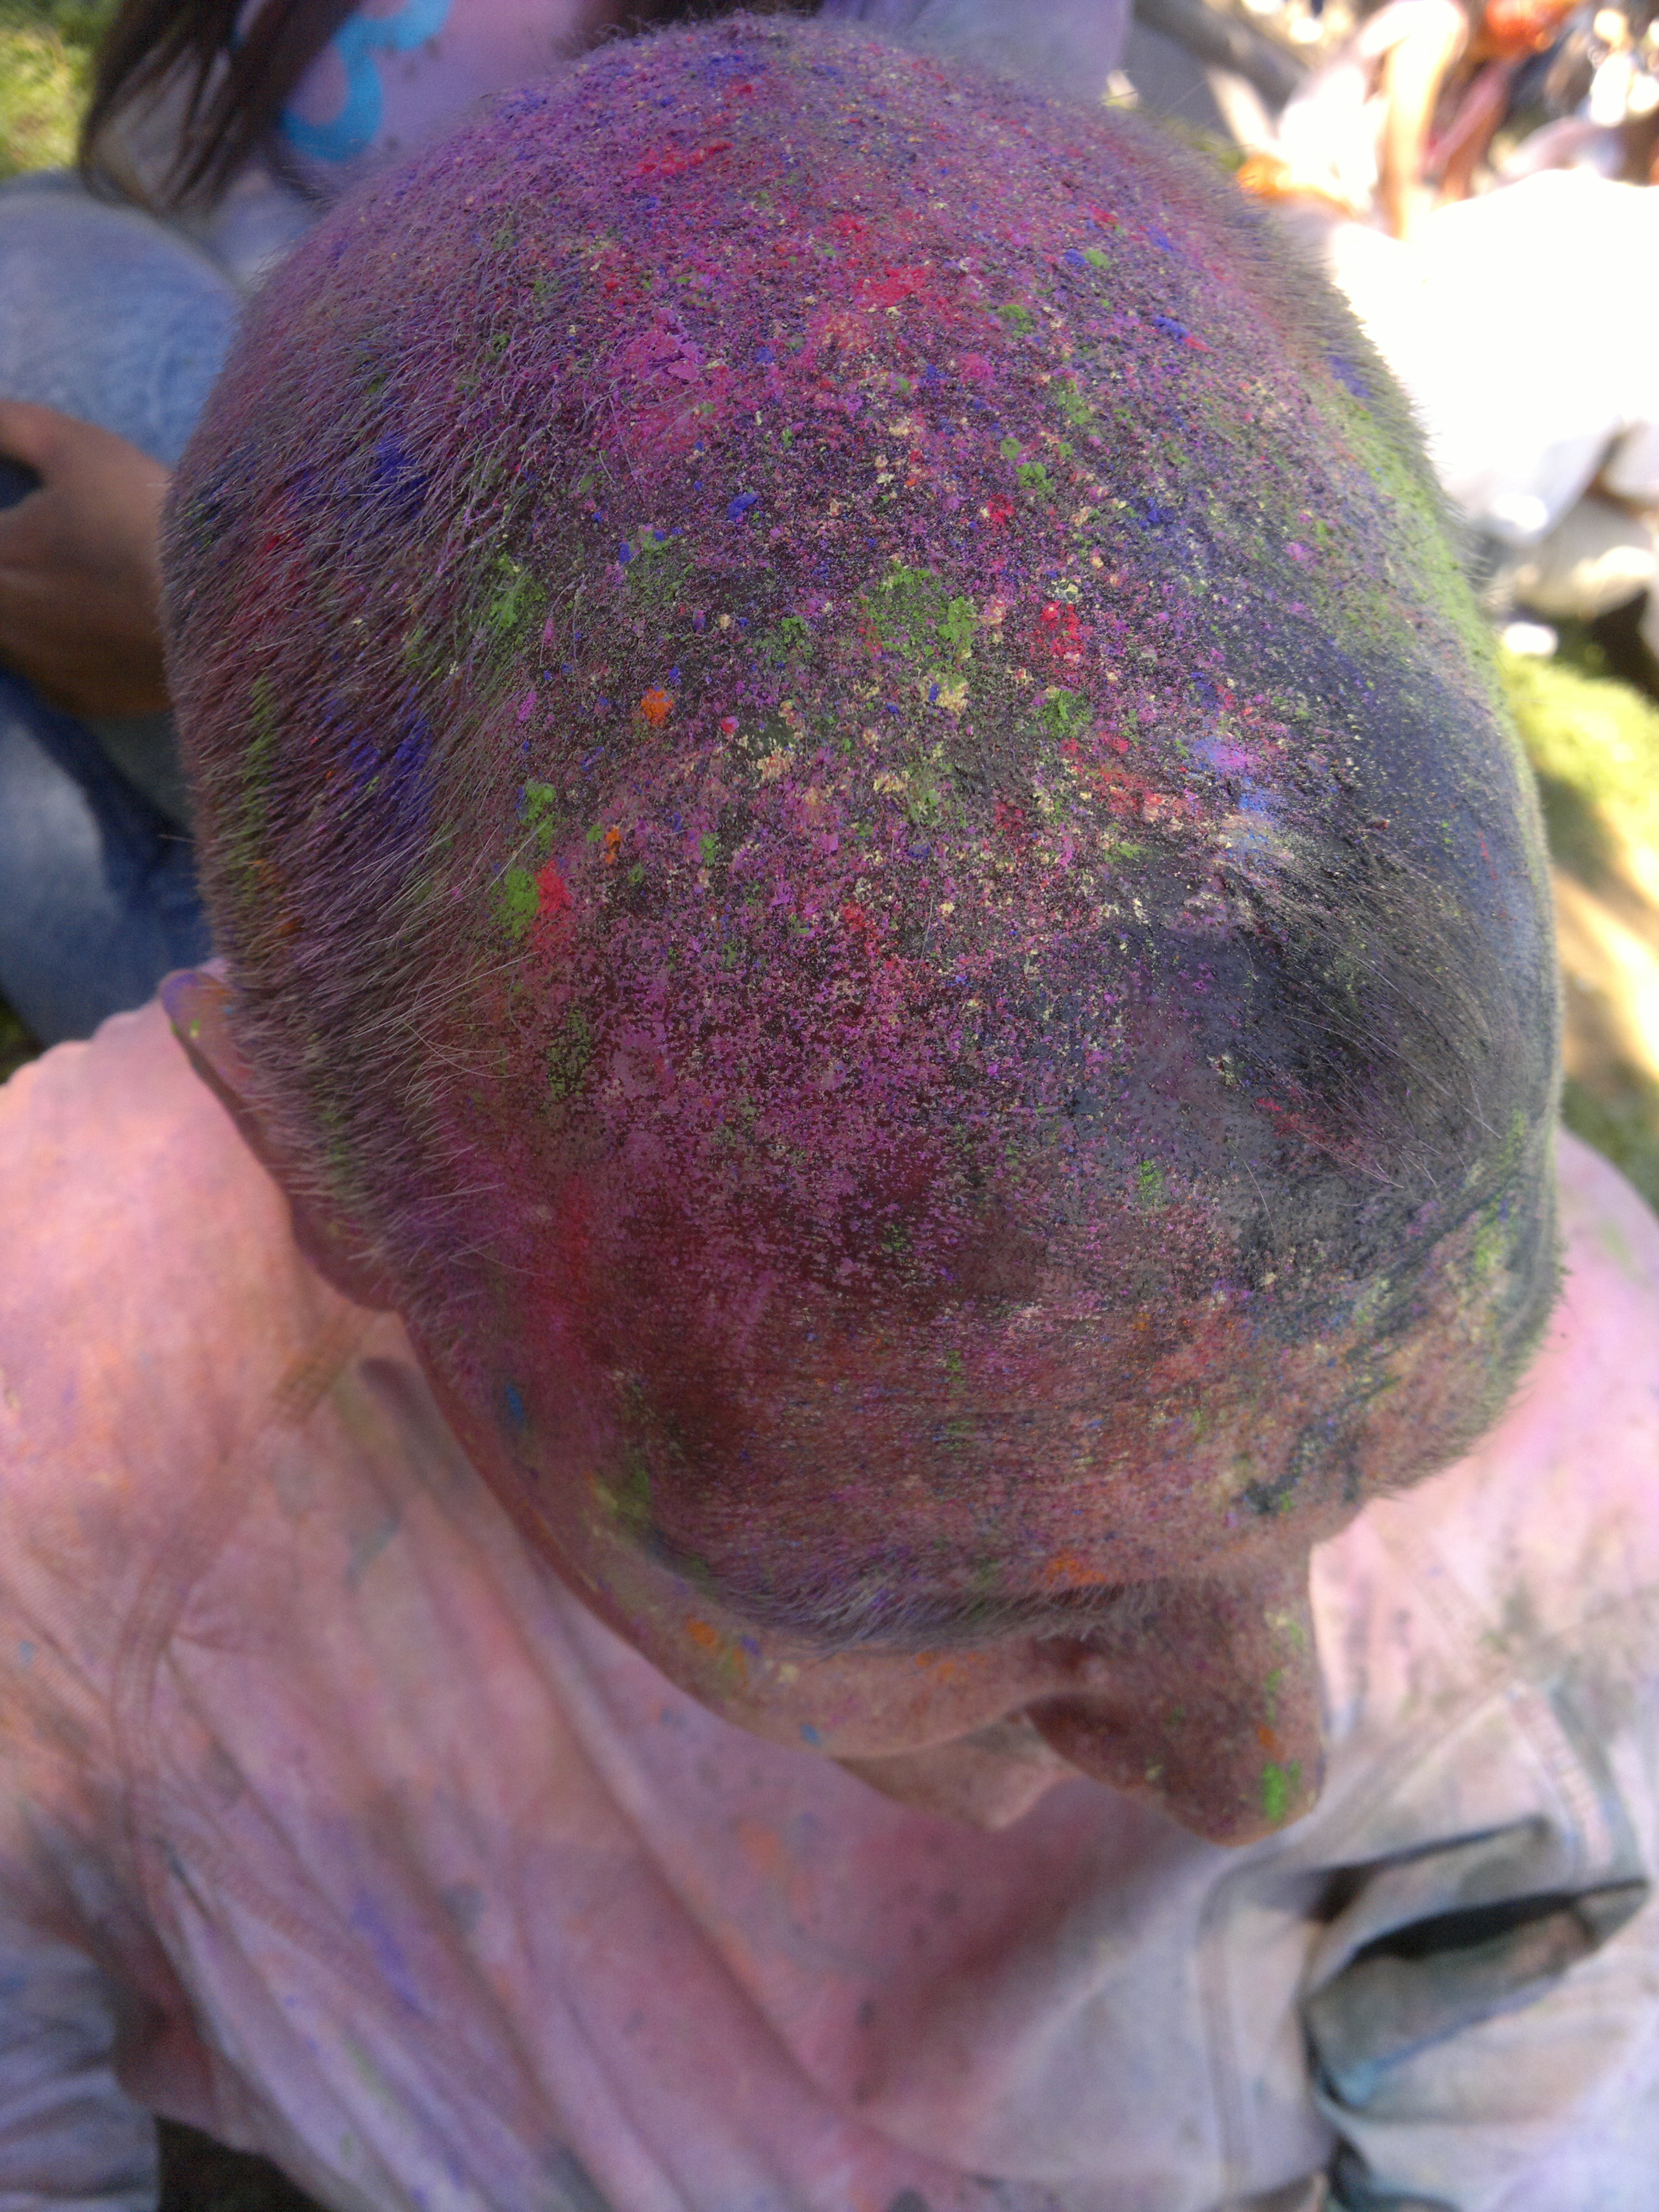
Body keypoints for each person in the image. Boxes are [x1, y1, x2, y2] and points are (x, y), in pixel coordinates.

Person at [3, 16, 1657, 2209]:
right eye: (927, 1593)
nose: (1259, 1762)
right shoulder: (68, 1466)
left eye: (1395, 1453)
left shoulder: (1601, 1446)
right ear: (320, 1164)